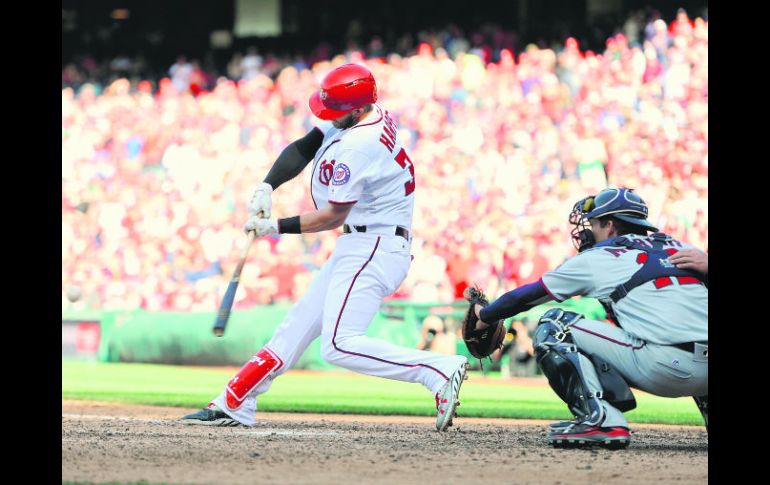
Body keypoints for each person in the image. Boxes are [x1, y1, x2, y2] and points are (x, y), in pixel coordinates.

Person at [181, 63, 468, 431]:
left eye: (337, 110)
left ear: (359, 107)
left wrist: (275, 227)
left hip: (375, 245)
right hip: (363, 242)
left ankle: (438, 370)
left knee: (339, 344)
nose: (330, 116)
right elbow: (306, 146)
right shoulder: (362, 113)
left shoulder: (361, 144)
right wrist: (268, 186)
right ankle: (234, 402)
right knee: (294, 327)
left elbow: (332, 215)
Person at [470, 188, 707, 448]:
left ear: (609, 224)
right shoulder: (684, 248)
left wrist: (485, 316)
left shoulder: (600, 256)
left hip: (664, 368)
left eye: (593, 223)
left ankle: (601, 420)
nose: (587, 231)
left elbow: (525, 297)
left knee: (555, 324)